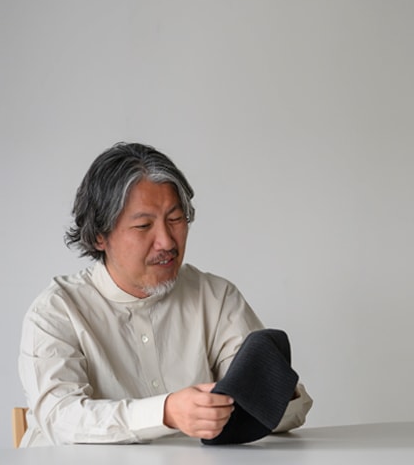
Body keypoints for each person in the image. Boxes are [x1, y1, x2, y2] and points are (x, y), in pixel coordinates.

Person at [18, 142, 312, 446]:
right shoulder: (56, 311)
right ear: (99, 236)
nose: (167, 242)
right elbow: (61, 419)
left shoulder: (216, 297)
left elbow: (282, 413)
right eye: (144, 225)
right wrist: (167, 412)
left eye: (175, 220)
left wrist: (272, 390)